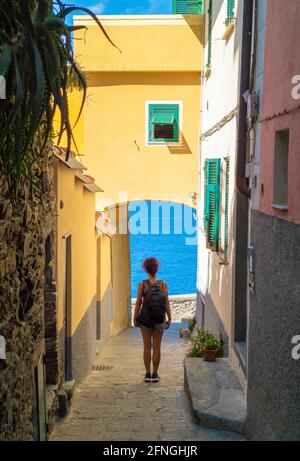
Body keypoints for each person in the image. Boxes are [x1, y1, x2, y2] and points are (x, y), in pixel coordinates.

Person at [133, 257, 172, 383]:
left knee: (146, 347)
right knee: (157, 347)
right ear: (157, 268)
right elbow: (166, 303)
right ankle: (155, 374)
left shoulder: (142, 284)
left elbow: (138, 303)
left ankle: (147, 374)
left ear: (146, 269)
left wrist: (135, 318)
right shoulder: (163, 284)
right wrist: (169, 318)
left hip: (145, 319)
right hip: (160, 319)